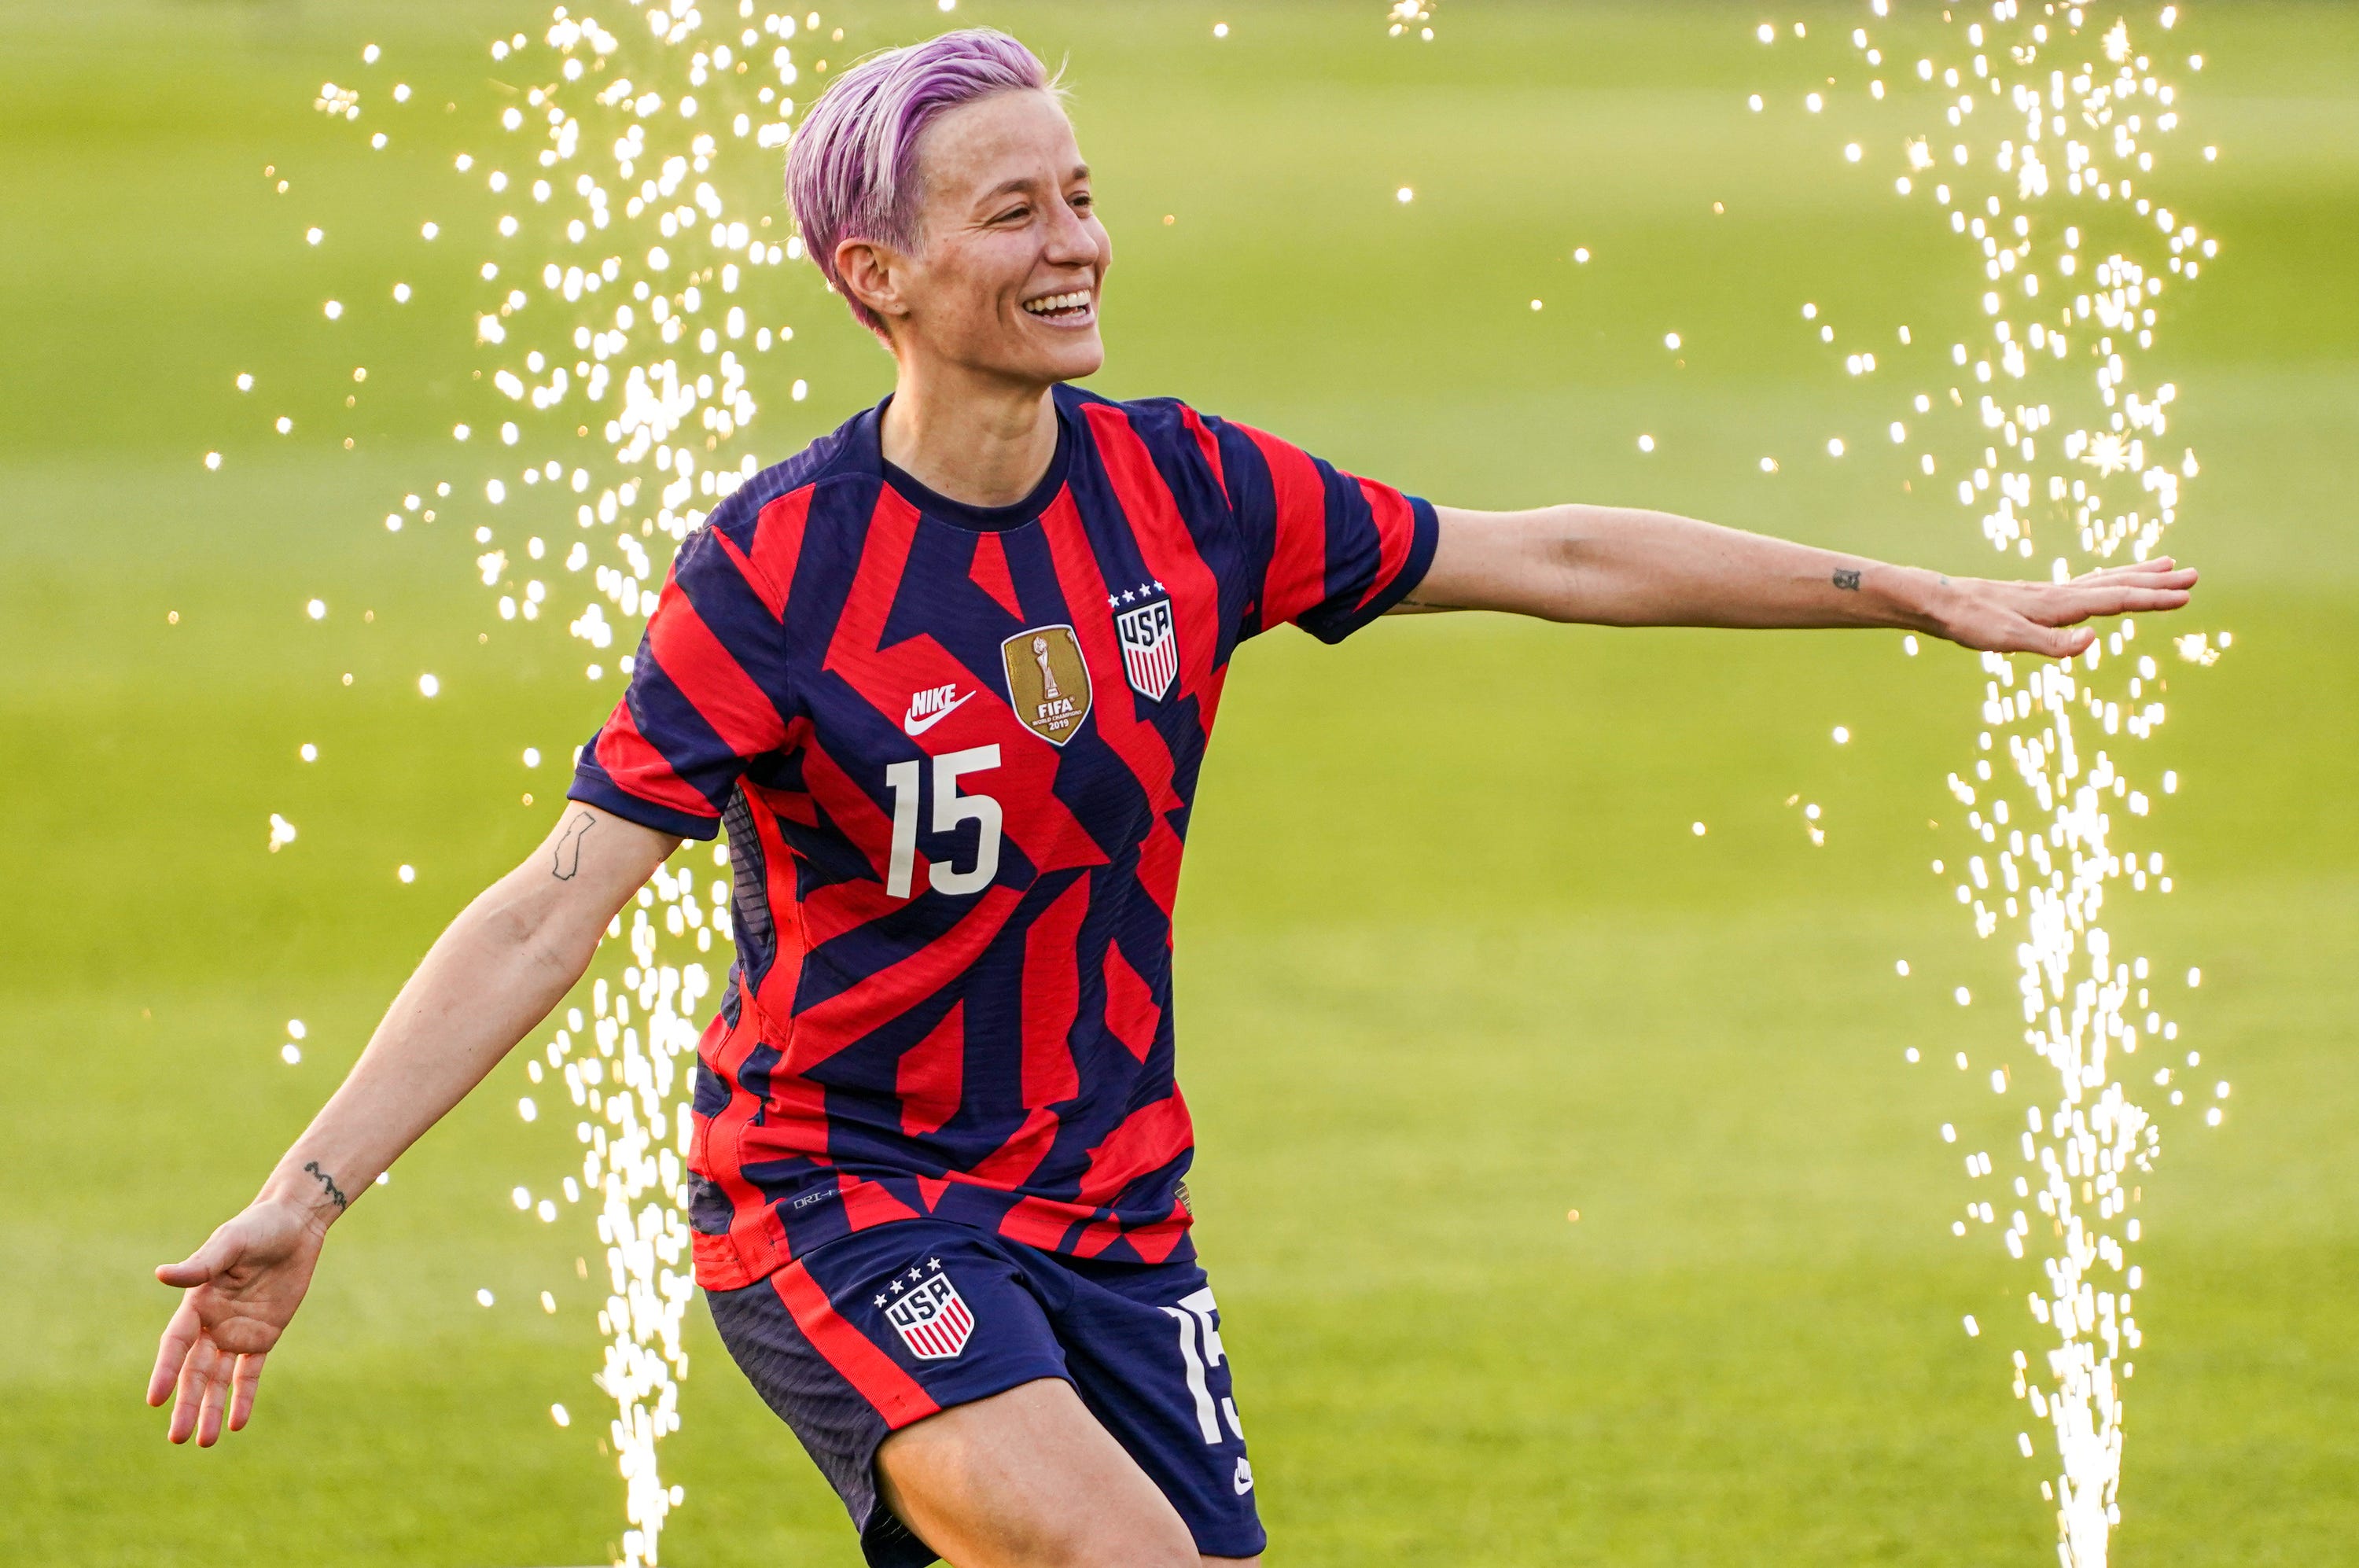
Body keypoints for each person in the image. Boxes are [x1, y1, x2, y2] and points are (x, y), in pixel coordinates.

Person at [147, 27, 2198, 1568]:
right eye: (1017, 212)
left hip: (1115, 1210)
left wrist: (1914, 595)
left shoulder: (1185, 492)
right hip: (838, 1193)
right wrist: (305, 1197)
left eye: (1085, 193)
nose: (1081, 244)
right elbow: (553, 900)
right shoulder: (775, 574)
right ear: (879, 271)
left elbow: (1545, 555)